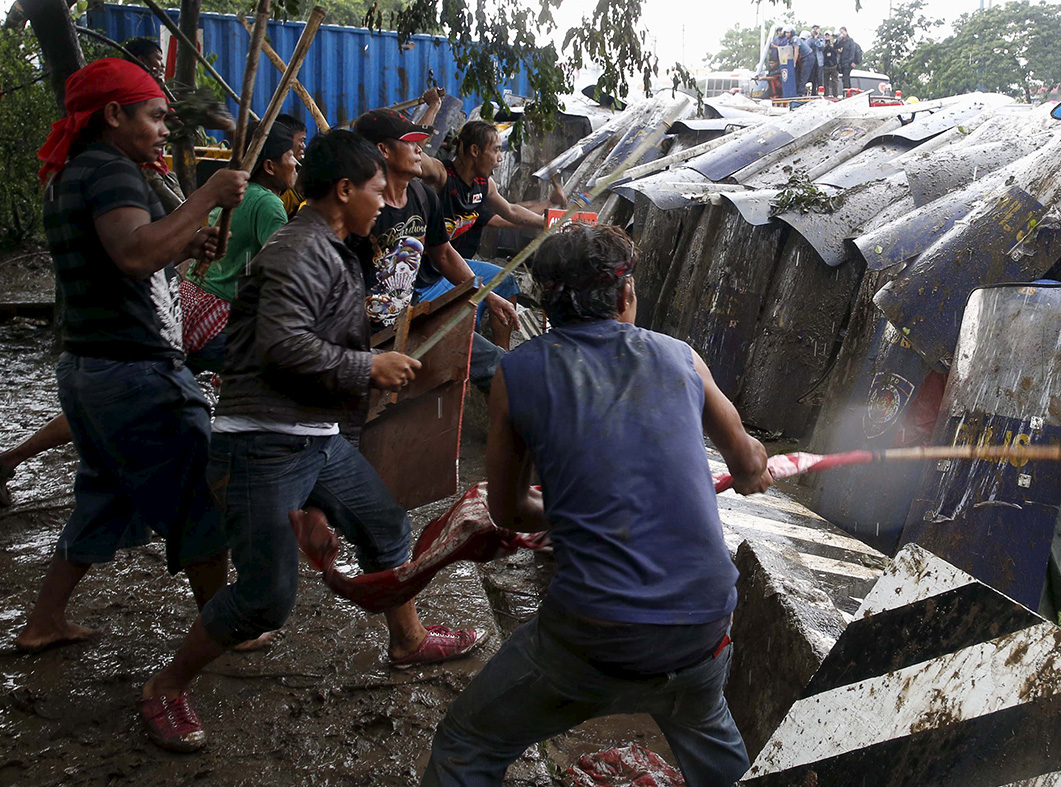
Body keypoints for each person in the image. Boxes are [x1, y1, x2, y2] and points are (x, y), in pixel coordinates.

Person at [141, 129, 485, 752]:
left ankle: (406, 642)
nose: (385, 202)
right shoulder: (299, 249)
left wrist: (361, 376)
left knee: (385, 529)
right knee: (264, 601)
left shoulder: (335, 248)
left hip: (316, 440)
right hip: (263, 444)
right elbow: (281, 344)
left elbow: (324, 349)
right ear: (345, 189)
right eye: (377, 190)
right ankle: (164, 687)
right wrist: (367, 369)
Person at [422, 223, 773, 786]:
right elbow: (750, 465)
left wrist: (565, 513)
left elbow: (509, 512)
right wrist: (756, 467)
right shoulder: (682, 358)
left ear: (548, 304)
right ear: (626, 293)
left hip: (592, 634)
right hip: (704, 623)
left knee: (466, 744)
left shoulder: (518, 370)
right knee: (718, 754)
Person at [15, 58, 248, 655]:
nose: (165, 128)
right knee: (201, 491)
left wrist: (185, 238)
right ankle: (220, 627)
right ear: (114, 114)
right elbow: (133, 255)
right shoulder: (113, 173)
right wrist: (207, 198)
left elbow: (128, 257)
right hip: (135, 371)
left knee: (105, 495)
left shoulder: (74, 174)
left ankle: (44, 621)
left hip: (88, 369)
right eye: (155, 116)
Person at [351, 108, 506, 390]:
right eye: (410, 142)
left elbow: (444, 254)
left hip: (407, 322)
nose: (419, 149)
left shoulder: (423, 197)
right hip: (361, 339)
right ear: (383, 150)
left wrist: (487, 295)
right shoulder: (358, 208)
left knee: (496, 363)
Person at [420, 120, 563, 348]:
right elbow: (416, 155)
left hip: (453, 265)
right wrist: (433, 109)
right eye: (496, 149)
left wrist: (551, 222)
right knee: (467, 325)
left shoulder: (484, 184)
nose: (501, 157)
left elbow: (511, 211)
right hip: (425, 274)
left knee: (505, 282)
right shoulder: (442, 175)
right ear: (475, 151)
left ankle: (503, 354)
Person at [181, 121, 298, 373]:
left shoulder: (233, 191)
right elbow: (285, 271)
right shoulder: (268, 203)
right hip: (218, 323)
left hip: (188, 307)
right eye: (289, 156)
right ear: (269, 166)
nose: (295, 163)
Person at [275, 113, 308, 219]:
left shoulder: (300, 167)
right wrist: (296, 193)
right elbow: (273, 211)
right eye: (301, 140)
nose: (303, 146)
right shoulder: (277, 169)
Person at [838, 27, 863, 94]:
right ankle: (847, 92)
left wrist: (852, 62)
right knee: (845, 79)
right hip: (842, 63)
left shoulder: (850, 41)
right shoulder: (841, 42)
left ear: (846, 32)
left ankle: (847, 93)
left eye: (842, 32)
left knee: (846, 78)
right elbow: (836, 47)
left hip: (848, 63)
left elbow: (852, 52)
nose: (842, 34)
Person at [796, 30, 817, 96]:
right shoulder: (798, 45)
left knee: (809, 78)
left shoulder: (811, 45)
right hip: (801, 64)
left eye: (804, 39)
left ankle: (804, 93)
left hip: (811, 63)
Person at [823, 31, 840, 97]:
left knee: (835, 81)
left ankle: (835, 95)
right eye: (826, 35)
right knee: (825, 81)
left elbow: (839, 51)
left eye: (828, 35)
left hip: (833, 65)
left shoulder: (835, 43)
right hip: (825, 65)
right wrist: (825, 46)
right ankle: (826, 95)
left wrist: (832, 46)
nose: (827, 37)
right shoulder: (822, 43)